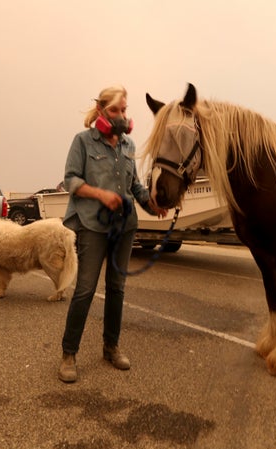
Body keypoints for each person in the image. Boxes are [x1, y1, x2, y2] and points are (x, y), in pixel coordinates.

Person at [58, 85, 166, 383]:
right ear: (102, 111)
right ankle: (69, 353)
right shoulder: (82, 141)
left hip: (124, 227)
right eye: (116, 110)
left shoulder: (128, 145)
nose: (122, 116)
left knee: (117, 289)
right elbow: (71, 181)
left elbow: (134, 186)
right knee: (85, 289)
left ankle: (111, 346)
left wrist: (151, 204)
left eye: (125, 110)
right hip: (93, 225)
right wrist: (100, 195)